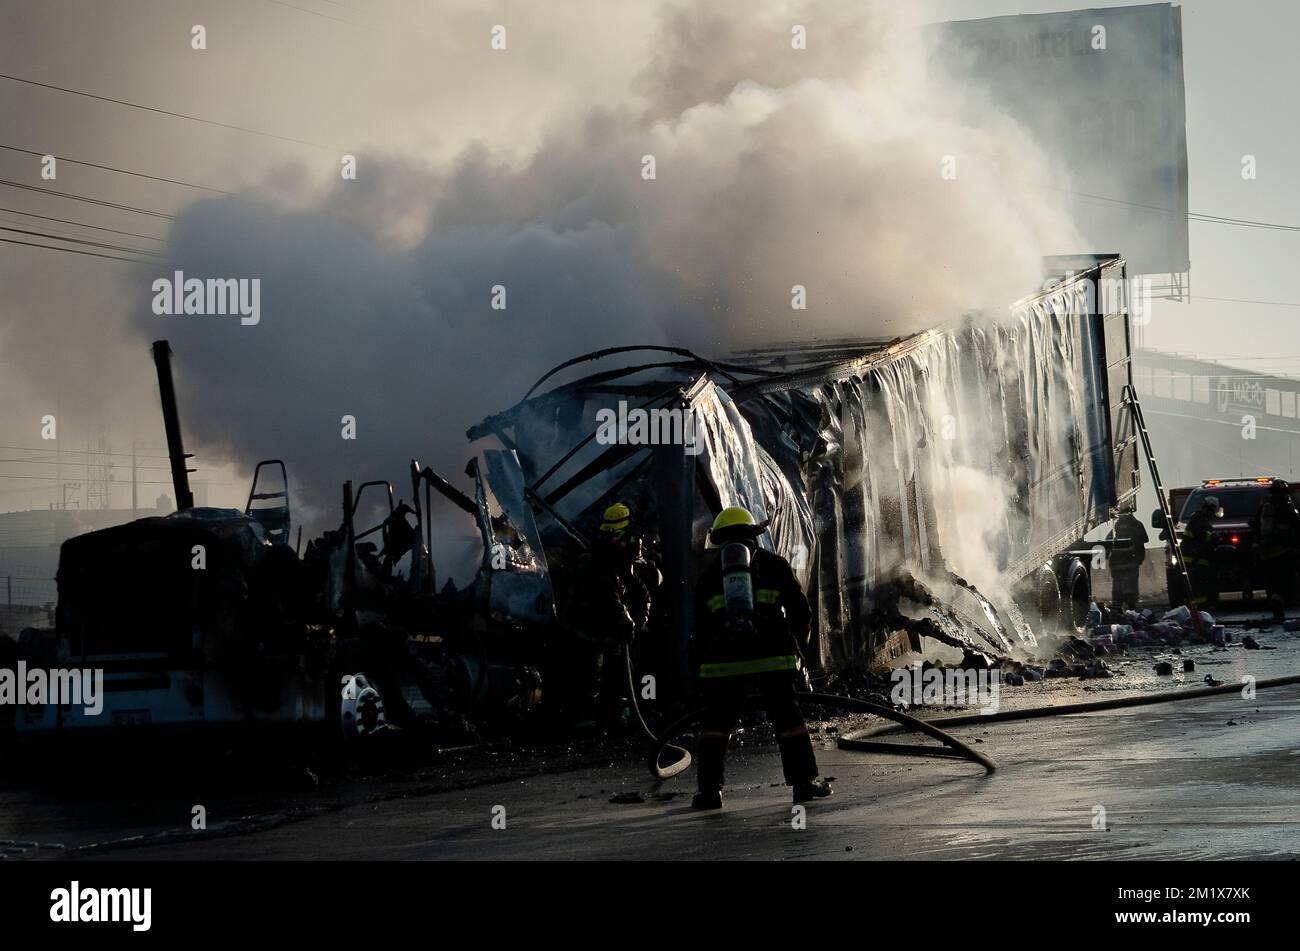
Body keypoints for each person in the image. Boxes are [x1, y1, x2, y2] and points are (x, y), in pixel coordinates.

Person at [690, 506, 830, 810]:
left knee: (716, 726)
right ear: (753, 535)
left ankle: (709, 792)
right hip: (772, 660)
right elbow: (801, 612)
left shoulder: (709, 577)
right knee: (788, 722)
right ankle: (803, 784)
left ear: (719, 539)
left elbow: (698, 629)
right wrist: (797, 648)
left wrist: (702, 670)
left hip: (722, 666)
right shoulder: (775, 565)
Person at [562, 502, 659, 733]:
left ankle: (618, 715)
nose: (639, 546)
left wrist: (639, 621)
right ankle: (586, 720)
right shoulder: (598, 563)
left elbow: (640, 594)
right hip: (586, 630)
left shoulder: (622, 566)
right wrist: (624, 618)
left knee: (623, 668)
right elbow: (605, 592)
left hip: (606, 632)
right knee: (591, 669)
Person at [1255, 481, 1300, 620]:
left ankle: (1274, 602)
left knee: (1271, 579)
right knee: (1284, 578)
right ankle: (1280, 603)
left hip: (1266, 551)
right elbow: (1296, 523)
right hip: (1283, 549)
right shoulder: (1285, 505)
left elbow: (1255, 525)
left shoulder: (1263, 506)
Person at [1181, 496, 1218, 608]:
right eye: (1212, 511)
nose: (1213, 514)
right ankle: (1199, 610)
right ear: (1208, 508)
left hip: (1197, 559)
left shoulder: (1200, 519)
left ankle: (1199, 610)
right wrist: (1214, 537)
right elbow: (1200, 536)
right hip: (1194, 559)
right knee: (1198, 587)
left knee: (1199, 587)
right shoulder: (1198, 519)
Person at [1108, 510, 1149, 609]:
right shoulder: (1137, 524)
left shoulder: (1116, 525)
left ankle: (1117, 603)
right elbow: (1145, 539)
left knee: (1117, 583)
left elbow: (1110, 541)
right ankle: (1131, 602)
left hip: (1117, 560)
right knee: (1131, 583)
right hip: (1131, 559)